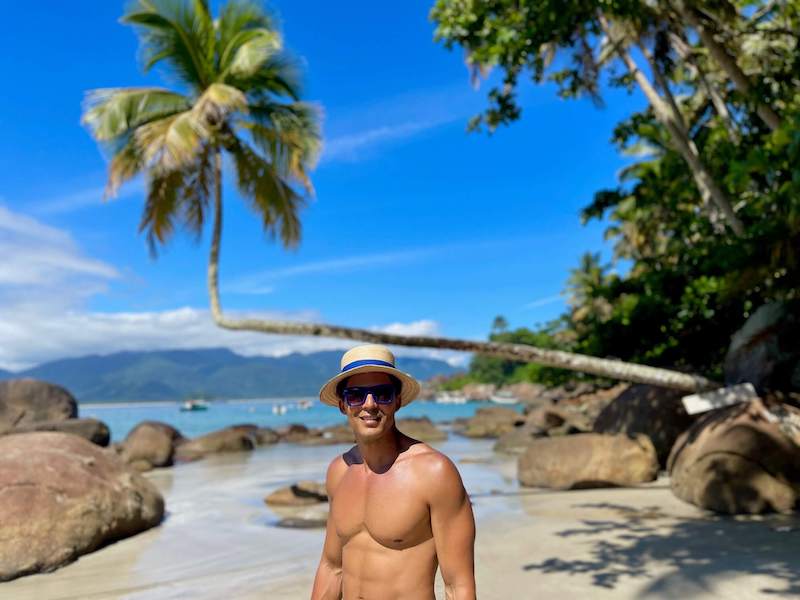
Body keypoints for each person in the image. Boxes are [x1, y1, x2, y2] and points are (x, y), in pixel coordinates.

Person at [311, 344, 476, 600]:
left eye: (383, 394)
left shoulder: (433, 472)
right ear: (343, 405)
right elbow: (332, 568)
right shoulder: (338, 471)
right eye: (356, 395)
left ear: (397, 401)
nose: (370, 404)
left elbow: (458, 585)